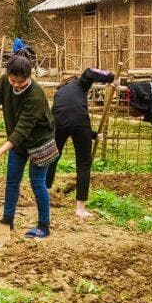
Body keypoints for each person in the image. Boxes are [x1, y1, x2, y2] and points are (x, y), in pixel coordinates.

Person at [0, 54, 57, 238]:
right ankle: (7, 220)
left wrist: (1, 150)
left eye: (22, 82)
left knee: (37, 182)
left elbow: (22, 129)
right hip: (18, 144)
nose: (17, 85)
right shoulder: (5, 81)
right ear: (8, 75)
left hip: (40, 143)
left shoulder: (35, 95)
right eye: (14, 81)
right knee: (12, 180)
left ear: (30, 76)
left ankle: (44, 226)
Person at [45, 68, 115, 218]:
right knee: (84, 164)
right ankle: (80, 209)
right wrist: (110, 77)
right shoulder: (80, 83)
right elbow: (89, 72)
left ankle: (44, 197)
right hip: (79, 122)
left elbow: (67, 113)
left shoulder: (60, 92)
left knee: (52, 158)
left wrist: (93, 135)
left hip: (58, 122)